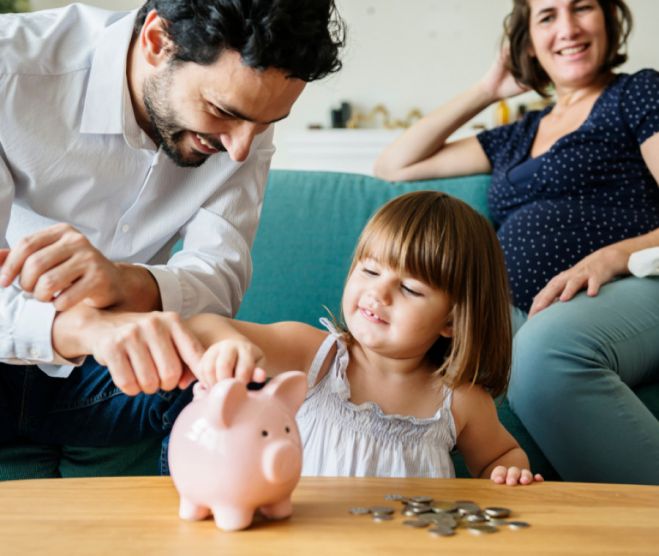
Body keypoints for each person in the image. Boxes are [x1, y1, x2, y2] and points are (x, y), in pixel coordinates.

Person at [0, 1, 344, 460]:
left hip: (110, 377)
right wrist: (83, 325)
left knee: (227, 383)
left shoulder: (244, 126)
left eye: (264, 126)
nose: (240, 149)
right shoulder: (11, 70)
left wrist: (128, 282)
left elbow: (218, 279)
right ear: (157, 41)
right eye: (222, 111)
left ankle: (216, 516)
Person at [374, 0, 659, 484]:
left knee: (546, 356)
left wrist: (612, 257)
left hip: (629, 282)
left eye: (582, 7)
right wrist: (486, 90)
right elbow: (394, 165)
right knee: (418, 341)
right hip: (526, 307)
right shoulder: (518, 133)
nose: (567, 27)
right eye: (547, 16)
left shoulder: (637, 93)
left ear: (608, 21)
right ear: (527, 41)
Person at [182, 191, 543, 484]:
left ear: (451, 320)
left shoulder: (459, 399)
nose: (378, 293)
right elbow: (202, 327)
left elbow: (500, 456)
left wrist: (509, 472)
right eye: (369, 270)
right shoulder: (315, 356)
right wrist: (231, 345)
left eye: (410, 289)